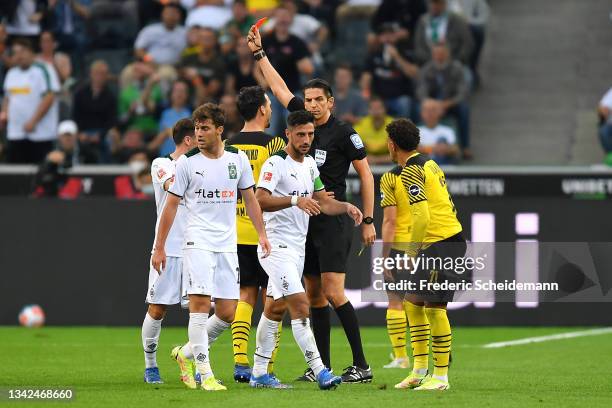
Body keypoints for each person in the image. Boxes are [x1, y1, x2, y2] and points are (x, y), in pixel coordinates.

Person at [248, 24, 376, 383]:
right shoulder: (302, 126)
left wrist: (367, 218)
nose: (313, 105)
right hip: (304, 222)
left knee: (334, 293)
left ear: (331, 102)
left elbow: (366, 175)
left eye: (320, 100)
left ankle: (362, 366)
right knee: (315, 297)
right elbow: (277, 87)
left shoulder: (344, 132)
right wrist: (259, 55)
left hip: (332, 220)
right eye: (310, 100)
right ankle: (322, 367)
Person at [151, 103, 271, 391]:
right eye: (197, 128)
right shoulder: (187, 163)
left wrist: (262, 234)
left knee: (229, 311)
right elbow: (170, 208)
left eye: (205, 128)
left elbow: (250, 199)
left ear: (219, 129)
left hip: (227, 246)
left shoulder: (237, 160)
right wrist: (159, 247)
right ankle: (205, 374)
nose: (199, 133)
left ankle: (186, 353)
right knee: (200, 307)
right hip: (197, 243)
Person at [251, 110, 362, 389]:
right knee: (301, 304)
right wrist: (294, 201)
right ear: (288, 134)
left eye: (310, 134)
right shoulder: (275, 164)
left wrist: (346, 207)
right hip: (275, 247)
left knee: (275, 309)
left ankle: (258, 372)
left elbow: (322, 201)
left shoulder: (310, 165)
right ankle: (320, 370)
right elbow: (259, 199)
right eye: (300, 134)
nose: (306, 139)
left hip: (297, 249)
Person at [384, 118, 465, 391]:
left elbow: (421, 217)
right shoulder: (428, 162)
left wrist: (410, 251)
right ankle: (418, 371)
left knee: (434, 308)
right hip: (440, 241)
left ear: (392, 145)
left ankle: (440, 377)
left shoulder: (408, 172)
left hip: (442, 242)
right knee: (412, 303)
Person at [224, 85, 286, 383]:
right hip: (268, 234)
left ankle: (240, 362)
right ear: (262, 109)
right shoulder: (273, 145)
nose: (272, 108)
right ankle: (267, 365)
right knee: (274, 301)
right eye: (269, 104)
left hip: (235, 232)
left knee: (244, 294)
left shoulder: (228, 145)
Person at [141, 118, 196, 385]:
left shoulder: (202, 166)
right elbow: (172, 187)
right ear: (188, 140)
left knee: (200, 308)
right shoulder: (162, 164)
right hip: (169, 247)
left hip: (196, 247)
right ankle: (150, 366)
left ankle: (195, 362)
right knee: (158, 308)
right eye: (199, 136)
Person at [1, 39, 60, 163]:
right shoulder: (12, 73)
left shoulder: (44, 69)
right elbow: (8, 98)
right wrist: (4, 115)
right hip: (16, 133)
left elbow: (49, 97)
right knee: (16, 174)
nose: (19, 56)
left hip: (40, 134)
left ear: (31, 52)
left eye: (22, 51)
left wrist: (33, 121)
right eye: (16, 52)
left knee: (39, 174)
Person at [379, 161, 412, 369]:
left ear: (392, 144)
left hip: (401, 244)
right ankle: (430, 352)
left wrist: (384, 257)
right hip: (427, 242)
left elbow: (390, 221)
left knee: (396, 301)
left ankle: (401, 357)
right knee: (424, 303)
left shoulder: (391, 178)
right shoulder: (429, 168)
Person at [416, 42, 470, 159]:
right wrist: (430, 103)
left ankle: (465, 146)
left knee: (464, 109)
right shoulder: (427, 69)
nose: (439, 56)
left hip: (450, 104)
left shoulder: (457, 68)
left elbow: (462, 92)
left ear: (448, 54)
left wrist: (446, 104)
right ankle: (416, 140)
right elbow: (421, 90)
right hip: (431, 103)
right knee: (416, 108)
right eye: (436, 54)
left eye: (442, 53)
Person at [417, 98, 459, 164]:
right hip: (423, 167)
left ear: (440, 112)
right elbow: (414, 150)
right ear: (422, 113)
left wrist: (444, 149)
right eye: (427, 110)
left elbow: (455, 149)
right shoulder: (415, 131)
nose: (430, 113)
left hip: (446, 168)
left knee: (442, 140)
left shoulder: (448, 130)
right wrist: (434, 149)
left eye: (433, 110)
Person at [354, 97, 394, 164]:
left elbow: (401, 154)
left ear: (384, 109)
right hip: (366, 162)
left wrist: (376, 160)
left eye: (379, 108)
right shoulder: (361, 124)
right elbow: (352, 150)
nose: (376, 111)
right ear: (368, 110)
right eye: (373, 108)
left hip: (390, 162)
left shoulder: (394, 125)